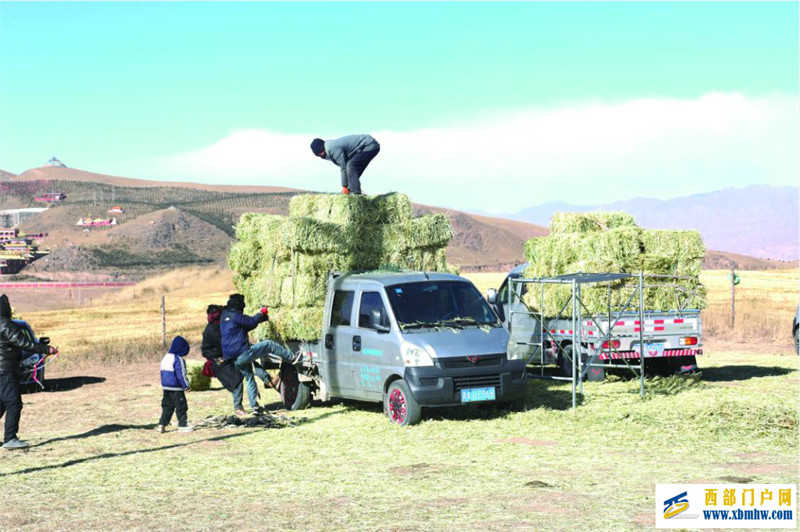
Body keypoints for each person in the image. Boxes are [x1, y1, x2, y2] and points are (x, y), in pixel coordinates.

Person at [220, 294, 301, 415]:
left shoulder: (224, 317)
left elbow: (246, 326)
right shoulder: (236, 315)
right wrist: (261, 313)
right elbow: (251, 321)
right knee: (268, 344)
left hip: (233, 358)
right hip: (242, 353)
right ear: (239, 307)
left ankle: (255, 408)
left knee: (249, 378)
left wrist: (261, 318)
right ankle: (292, 357)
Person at [0, 294, 58, 450]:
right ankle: (10, 439)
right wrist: (46, 349)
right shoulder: (4, 324)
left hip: (3, 370)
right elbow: (24, 342)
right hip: (4, 370)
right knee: (14, 403)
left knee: (2, 404)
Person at [310, 134, 380, 195]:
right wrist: (347, 186)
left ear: (321, 151)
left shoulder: (332, 148)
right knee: (351, 170)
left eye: (320, 153)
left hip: (369, 145)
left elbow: (343, 167)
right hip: (362, 148)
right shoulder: (328, 150)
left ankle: (355, 194)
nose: (321, 156)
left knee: (351, 165)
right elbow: (345, 168)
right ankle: (353, 190)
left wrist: (344, 186)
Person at [157, 335, 193, 433]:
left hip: (166, 387)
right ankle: (182, 424)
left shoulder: (165, 358)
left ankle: (162, 424)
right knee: (181, 406)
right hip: (176, 388)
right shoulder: (178, 359)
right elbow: (181, 374)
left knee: (167, 406)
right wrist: (186, 386)